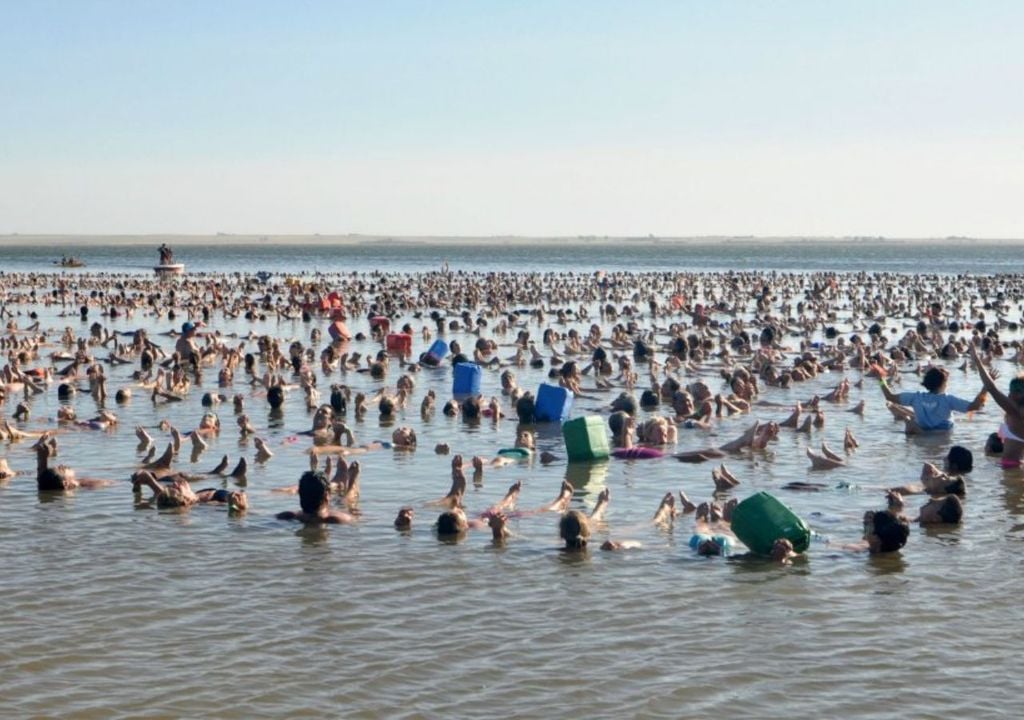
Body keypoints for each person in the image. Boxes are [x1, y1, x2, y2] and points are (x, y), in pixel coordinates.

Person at [879, 366, 985, 434]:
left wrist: (881, 380)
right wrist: (986, 388)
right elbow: (975, 406)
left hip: (922, 428)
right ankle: (910, 423)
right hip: (940, 434)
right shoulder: (948, 399)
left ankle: (908, 421)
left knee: (916, 416)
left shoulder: (917, 397)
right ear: (943, 383)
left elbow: (889, 396)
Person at [970, 343, 1024, 469]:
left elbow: (992, 389)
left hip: (1011, 466)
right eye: (1010, 390)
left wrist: (978, 362)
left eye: (1014, 391)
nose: (1009, 393)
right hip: (1015, 464)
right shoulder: (1015, 411)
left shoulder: (1016, 412)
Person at [276, 471, 355, 524]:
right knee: (348, 503)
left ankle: (344, 483)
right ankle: (352, 485)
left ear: (300, 494)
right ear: (327, 496)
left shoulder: (287, 516)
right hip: (327, 512)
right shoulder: (339, 519)